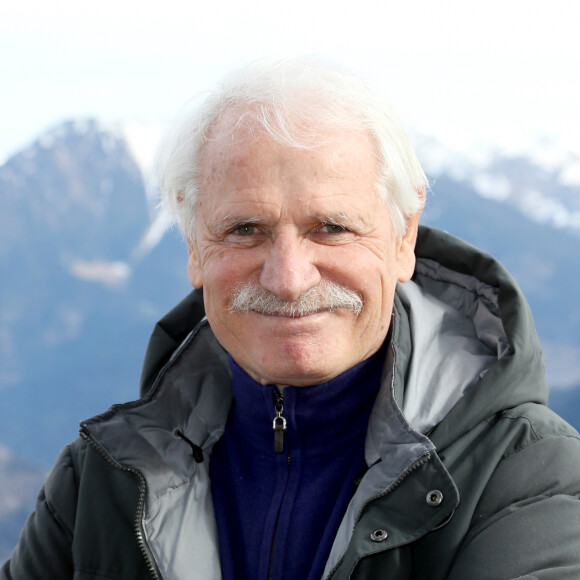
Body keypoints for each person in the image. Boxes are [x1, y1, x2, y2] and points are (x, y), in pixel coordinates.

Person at [3, 58, 580, 580]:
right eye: (245, 230)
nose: (288, 278)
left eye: (330, 227)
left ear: (404, 234)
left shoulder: (526, 474)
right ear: (194, 246)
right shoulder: (100, 481)